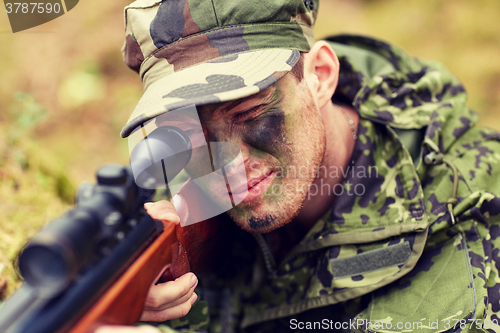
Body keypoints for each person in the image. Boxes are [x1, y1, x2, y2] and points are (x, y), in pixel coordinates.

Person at [98, 0, 500, 332]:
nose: (227, 164)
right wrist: (136, 298)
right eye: (190, 132)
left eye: (251, 113)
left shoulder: (463, 234)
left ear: (320, 76)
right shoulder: (183, 187)